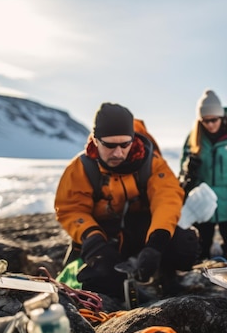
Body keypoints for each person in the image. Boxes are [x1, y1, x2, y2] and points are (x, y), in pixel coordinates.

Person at [54, 102, 200, 301]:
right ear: (96, 140)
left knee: (184, 245)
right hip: (104, 237)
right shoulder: (81, 168)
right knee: (98, 278)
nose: (118, 153)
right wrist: (93, 238)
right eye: (110, 145)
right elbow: (71, 209)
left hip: (140, 231)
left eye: (125, 144)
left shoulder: (152, 162)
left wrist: (156, 244)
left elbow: (167, 198)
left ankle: (164, 275)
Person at [178, 89, 227, 260]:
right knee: (200, 248)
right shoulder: (193, 139)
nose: (210, 124)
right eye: (205, 121)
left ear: (221, 117)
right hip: (201, 204)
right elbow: (183, 175)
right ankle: (203, 281)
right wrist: (188, 171)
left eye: (213, 120)